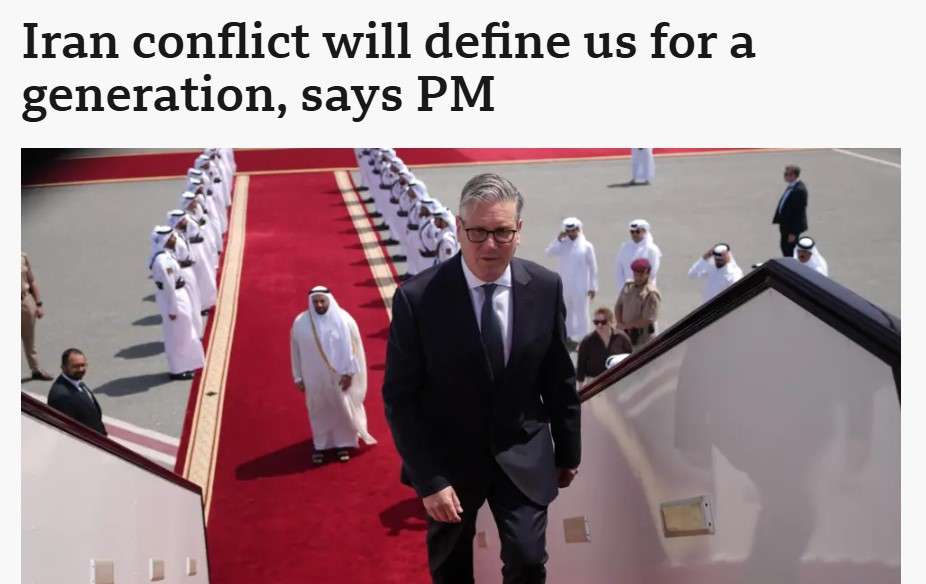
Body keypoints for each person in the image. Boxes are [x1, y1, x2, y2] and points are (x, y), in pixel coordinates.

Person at [383, 173, 581, 584]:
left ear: (519, 231)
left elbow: (558, 377)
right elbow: (401, 399)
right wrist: (429, 480)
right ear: (458, 227)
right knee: (451, 571)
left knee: (528, 561)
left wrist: (568, 454)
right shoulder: (418, 299)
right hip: (449, 463)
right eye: (477, 232)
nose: (490, 245)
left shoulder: (545, 287)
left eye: (502, 232)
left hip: (522, 451)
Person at [290, 286, 376, 465]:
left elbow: (355, 349)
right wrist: (298, 377)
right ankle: (321, 445)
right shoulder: (300, 323)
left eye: (322, 301)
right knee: (319, 410)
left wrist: (350, 374)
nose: (319, 305)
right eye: (316, 302)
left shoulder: (345, 320)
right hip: (314, 377)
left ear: (329, 300)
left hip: (340, 377)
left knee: (341, 408)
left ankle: (343, 444)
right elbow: (295, 351)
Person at [149, 226, 205, 380]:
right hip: (174, 298)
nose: (175, 239)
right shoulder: (163, 261)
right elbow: (169, 286)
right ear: (165, 240)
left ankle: (185, 364)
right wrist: (173, 309)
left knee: (184, 332)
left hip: (178, 295)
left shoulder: (166, 255)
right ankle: (178, 370)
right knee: (177, 335)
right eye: (172, 237)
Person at [544, 217, 598, 349]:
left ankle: (584, 339)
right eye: (568, 231)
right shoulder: (562, 244)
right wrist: (558, 239)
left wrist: (593, 286)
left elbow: (593, 267)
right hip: (565, 285)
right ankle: (568, 337)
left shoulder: (586, 246)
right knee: (566, 311)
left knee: (581, 313)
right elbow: (549, 253)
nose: (571, 233)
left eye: (573, 230)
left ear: (578, 229)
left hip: (581, 286)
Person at [47, 348, 107, 436]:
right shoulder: (60, 396)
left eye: (83, 365)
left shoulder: (76, 381)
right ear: (63, 368)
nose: (81, 369)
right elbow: (67, 431)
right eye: (76, 366)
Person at [575, 307, 633, 388]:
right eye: (596, 322)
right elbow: (581, 365)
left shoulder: (622, 337)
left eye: (603, 322)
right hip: (594, 382)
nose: (599, 325)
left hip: (618, 380)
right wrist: (580, 387)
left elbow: (630, 358)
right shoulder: (587, 341)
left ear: (611, 322)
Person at [614, 258, 662, 349]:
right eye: (636, 274)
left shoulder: (651, 293)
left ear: (647, 274)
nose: (638, 277)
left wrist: (627, 326)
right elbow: (619, 306)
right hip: (624, 335)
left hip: (642, 339)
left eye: (641, 275)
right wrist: (619, 323)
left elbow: (647, 319)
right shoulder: (628, 286)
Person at [21, 252, 53, 380]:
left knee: (29, 339)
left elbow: (32, 281)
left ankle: (35, 369)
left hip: (24, 301)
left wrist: (38, 304)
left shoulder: (22, 256)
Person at [772, 164, 809, 256]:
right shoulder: (792, 187)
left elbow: (799, 213)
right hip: (785, 225)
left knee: (789, 251)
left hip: (791, 229)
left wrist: (793, 233)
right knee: (785, 247)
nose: (784, 176)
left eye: (786, 174)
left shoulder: (799, 190)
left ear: (793, 175)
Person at [615, 219, 662, 288]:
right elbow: (619, 269)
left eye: (637, 231)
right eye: (632, 232)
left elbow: (652, 273)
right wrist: (622, 288)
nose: (634, 234)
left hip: (645, 289)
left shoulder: (651, 249)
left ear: (644, 231)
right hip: (627, 288)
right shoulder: (624, 248)